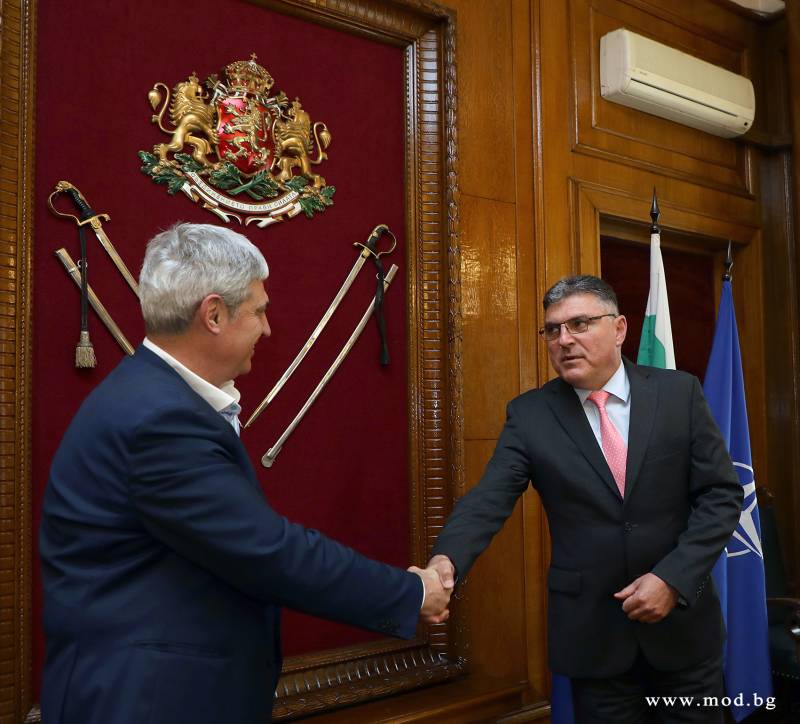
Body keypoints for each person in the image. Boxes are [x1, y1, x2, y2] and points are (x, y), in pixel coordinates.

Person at [39, 222, 450, 724]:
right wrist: (410, 594)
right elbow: (267, 550)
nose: (267, 328)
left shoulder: (151, 395)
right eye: (259, 310)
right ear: (214, 314)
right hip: (143, 701)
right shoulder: (159, 419)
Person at [428, 275, 743, 723]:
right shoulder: (530, 414)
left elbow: (721, 495)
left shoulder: (679, 393)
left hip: (684, 637)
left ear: (619, 328)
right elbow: (488, 500)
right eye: (553, 330)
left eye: (579, 324)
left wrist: (672, 579)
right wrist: (446, 561)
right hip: (594, 640)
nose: (564, 340)